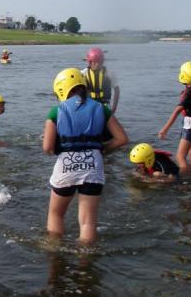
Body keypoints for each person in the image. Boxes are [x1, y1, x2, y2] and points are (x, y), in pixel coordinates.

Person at [43, 68, 128, 243]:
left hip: (66, 167)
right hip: (93, 167)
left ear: (62, 89)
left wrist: (56, 150)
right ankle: (85, 261)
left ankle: (54, 254)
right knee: (88, 222)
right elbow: (122, 139)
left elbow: (47, 147)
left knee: (56, 214)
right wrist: (102, 149)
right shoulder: (101, 108)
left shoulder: (56, 111)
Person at [81, 47, 120, 114]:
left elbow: (117, 90)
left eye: (100, 62)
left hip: (105, 105)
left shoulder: (109, 74)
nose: (98, 64)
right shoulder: (83, 74)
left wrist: (114, 107)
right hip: (88, 105)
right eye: (95, 62)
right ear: (90, 62)